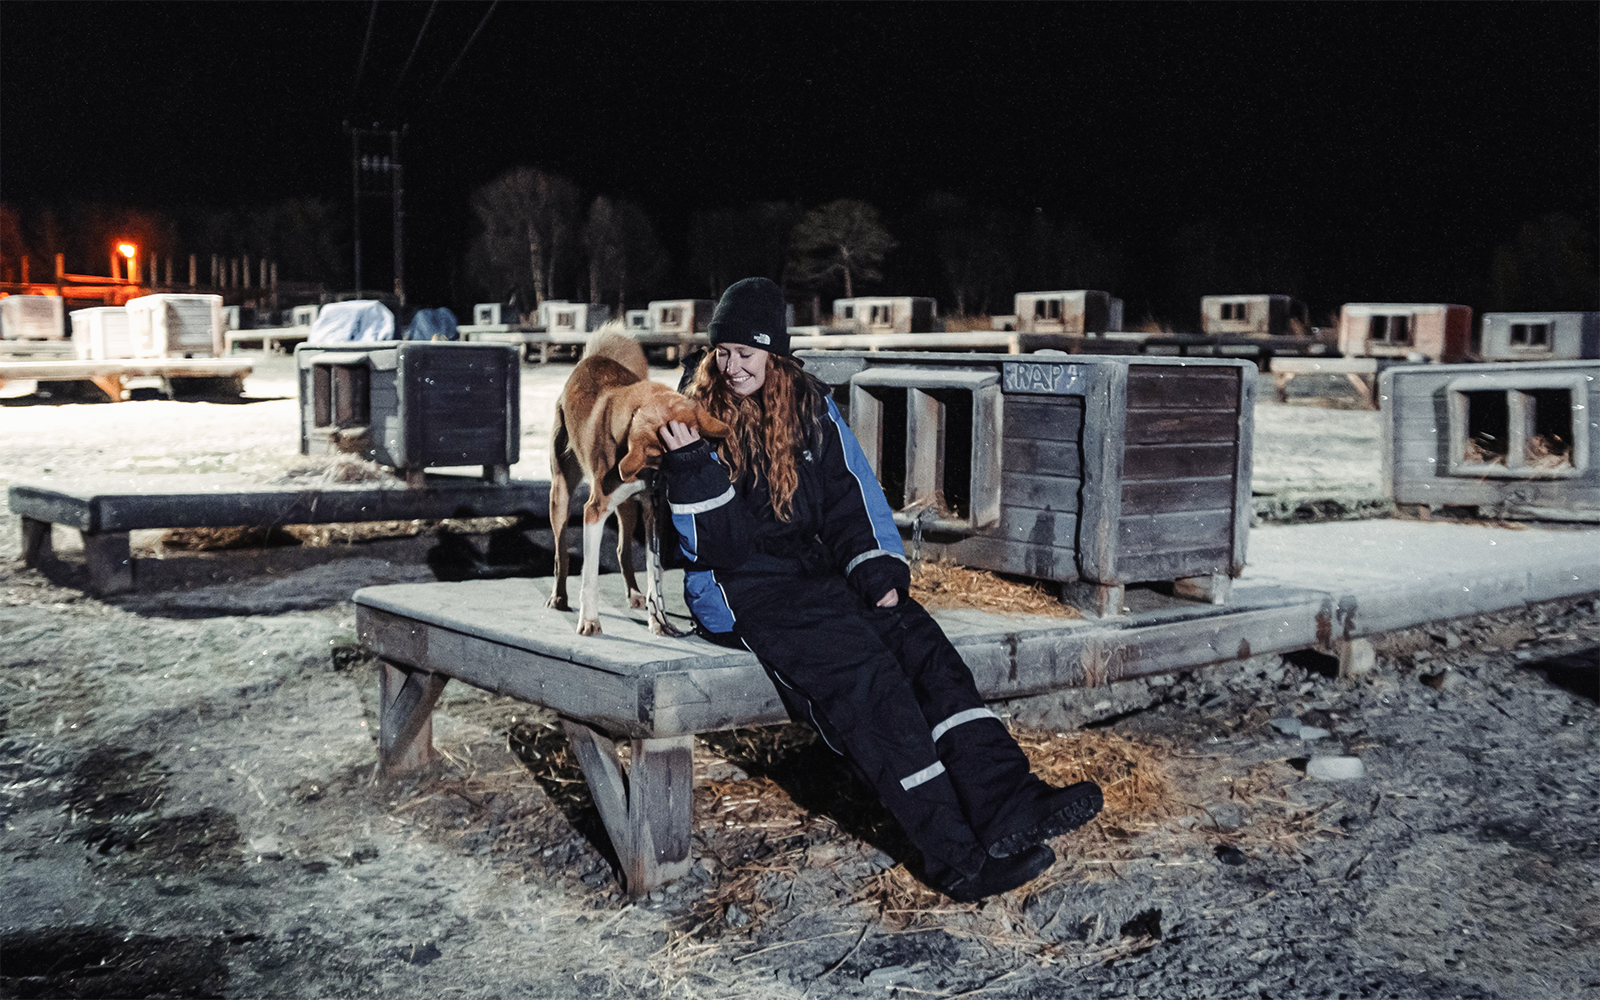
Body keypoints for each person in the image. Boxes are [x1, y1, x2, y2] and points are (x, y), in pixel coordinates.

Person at [658, 277, 1102, 902]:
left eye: (747, 354)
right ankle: (957, 860)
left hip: (813, 574)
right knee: (869, 680)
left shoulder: (810, 406)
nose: (732, 367)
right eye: (722, 353)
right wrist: (690, 470)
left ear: (776, 355)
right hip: (739, 588)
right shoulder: (688, 416)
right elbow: (714, 548)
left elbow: (852, 498)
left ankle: (1008, 803)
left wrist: (876, 568)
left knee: (921, 644)